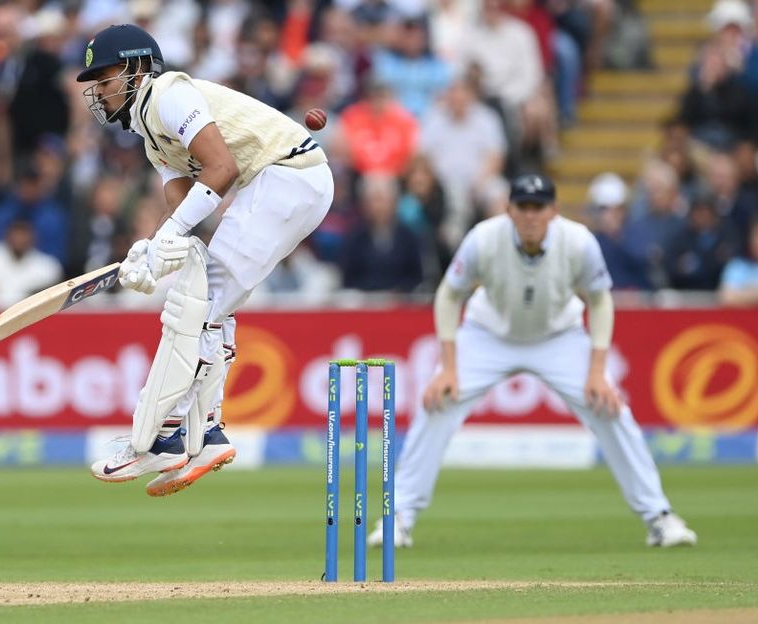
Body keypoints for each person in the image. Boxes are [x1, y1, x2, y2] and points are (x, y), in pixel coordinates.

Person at [367, 174, 698, 549]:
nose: (530, 216)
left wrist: (596, 372)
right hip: (487, 333)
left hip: (559, 335)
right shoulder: (483, 237)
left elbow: (601, 300)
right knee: (436, 403)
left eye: (538, 207)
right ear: (509, 210)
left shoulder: (577, 241)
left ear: (553, 211)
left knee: (611, 409)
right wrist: (448, 367)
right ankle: (399, 517)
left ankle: (660, 517)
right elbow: (448, 295)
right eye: (522, 207)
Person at [78, 24, 333, 495]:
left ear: (136, 68)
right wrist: (152, 253)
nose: (98, 89)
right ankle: (208, 433)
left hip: (287, 176)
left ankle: (159, 437)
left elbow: (223, 170)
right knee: (209, 305)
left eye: (105, 76)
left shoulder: (168, 93)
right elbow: (188, 211)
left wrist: (164, 238)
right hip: (288, 185)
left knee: (190, 309)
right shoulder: (152, 136)